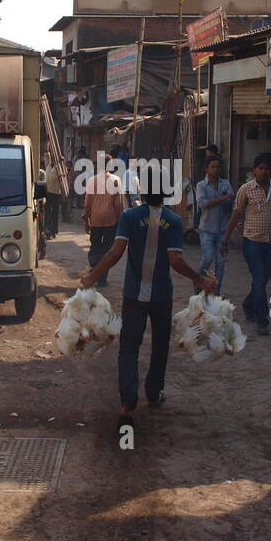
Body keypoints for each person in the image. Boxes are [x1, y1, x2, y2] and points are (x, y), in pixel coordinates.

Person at [80, 185, 215, 429]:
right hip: (161, 297)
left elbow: (115, 252)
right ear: (166, 194)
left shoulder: (130, 217)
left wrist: (93, 275)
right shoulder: (173, 220)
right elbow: (176, 261)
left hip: (133, 295)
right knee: (159, 345)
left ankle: (128, 403)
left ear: (142, 194)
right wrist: (202, 280)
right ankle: (153, 392)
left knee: (129, 347)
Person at [221, 152, 271, 335]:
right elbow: (236, 214)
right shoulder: (246, 189)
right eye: (260, 168)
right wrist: (225, 239)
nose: (264, 172)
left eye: (267, 169)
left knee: (262, 279)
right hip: (252, 242)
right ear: (254, 170)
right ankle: (262, 320)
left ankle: (249, 304)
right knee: (259, 277)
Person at [82, 158, 126, 288]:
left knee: (95, 246)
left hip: (95, 220)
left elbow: (87, 203)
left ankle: (94, 268)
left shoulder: (91, 181)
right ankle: (101, 278)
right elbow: (118, 204)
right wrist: (120, 219)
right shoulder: (115, 180)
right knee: (107, 250)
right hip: (110, 221)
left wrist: (86, 220)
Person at [194, 156, 234, 291]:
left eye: (218, 167)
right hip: (207, 229)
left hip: (223, 230)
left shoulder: (225, 184)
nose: (216, 169)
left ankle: (216, 290)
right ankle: (198, 280)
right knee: (207, 258)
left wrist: (226, 200)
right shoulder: (201, 185)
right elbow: (203, 204)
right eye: (213, 167)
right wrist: (224, 198)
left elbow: (231, 202)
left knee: (221, 263)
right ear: (207, 169)